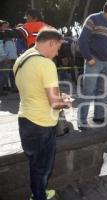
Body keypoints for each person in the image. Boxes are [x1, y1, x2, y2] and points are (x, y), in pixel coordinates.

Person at [13, 28, 72, 200]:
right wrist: (66, 102)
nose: (57, 53)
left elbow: (32, 90)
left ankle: (37, 193)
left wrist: (58, 96)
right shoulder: (46, 64)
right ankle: (39, 196)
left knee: (34, 164)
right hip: (42, 124)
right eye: (58, 48)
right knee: (44, 168)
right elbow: (55, 103)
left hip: (25, 119)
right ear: (51, 43)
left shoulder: (21, 60)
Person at [77, 0, 107, 129]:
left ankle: (99, 116)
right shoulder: (93, 18)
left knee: (102, 91)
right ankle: (82, 121)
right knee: (88, 91)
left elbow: (104, 42)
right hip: (94, 61)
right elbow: (82, 40)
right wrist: (88, 57)